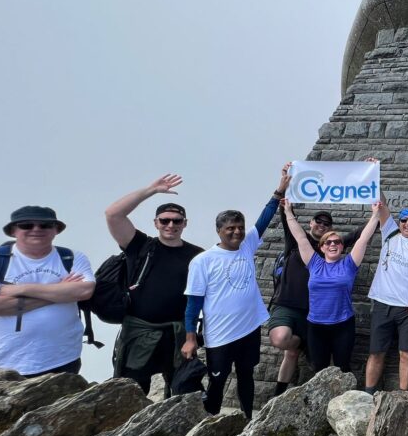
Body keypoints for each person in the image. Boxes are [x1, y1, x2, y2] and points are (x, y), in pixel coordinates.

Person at [182, 171, 287, 419]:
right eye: (230, 228)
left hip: (248, 328)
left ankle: (247, 418)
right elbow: (193, 304)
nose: (237, 232)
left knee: (246, 376)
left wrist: (279, 190)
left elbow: (264, 219)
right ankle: (209, 422)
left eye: (240, 227)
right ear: (219, 230)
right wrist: (189, 338)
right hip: (219, 334)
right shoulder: (202, 261)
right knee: (217, 381)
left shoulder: (247, 244)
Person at [104, 174, 204, 395]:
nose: (170, 225)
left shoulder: (198, 256)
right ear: (156, 223)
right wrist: (151, 190)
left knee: (183, 392)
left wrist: (194, 336)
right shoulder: (140, 246)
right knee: (130, 394)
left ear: (185, 224)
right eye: (164, 220)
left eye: (176, 221)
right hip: (139, 333)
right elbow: (113, 214)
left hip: (178, 335)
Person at [268, 160, 359, 396]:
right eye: (318, 221)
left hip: (315, 312)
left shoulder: (332, 248)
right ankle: (301, 347)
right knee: (283, 340)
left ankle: (280, 394)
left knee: (300, 357)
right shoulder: (297, 243)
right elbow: (288, 218)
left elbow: (359, 236)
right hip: (288, 304)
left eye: (327, 224)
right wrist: (285, 185)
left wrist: (376, 205)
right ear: (310, 223)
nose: (322, 225)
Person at [280, 199, 380, 374]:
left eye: (337, 242)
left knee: (343, 369)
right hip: (316, 327)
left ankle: (342, 402)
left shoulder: (349, 264)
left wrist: (375, 215)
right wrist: (288, 212)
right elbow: (300, 237)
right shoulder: (314, 263)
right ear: (322, 247)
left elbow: (363, 239)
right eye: (328, 242)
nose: (333, 244)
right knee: (318, 370)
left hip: (343, 326)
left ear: (342, 247)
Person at [0, 206, 95, 376]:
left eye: (45, 225)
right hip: (5, 362)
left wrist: (21, 289)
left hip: (63, 358)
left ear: (56, 230)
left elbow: (85, 290)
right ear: (13, 231)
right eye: (26, 225)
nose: (36, 229)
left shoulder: (71, 257)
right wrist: (61, 292)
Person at [364, 197, 408, 394]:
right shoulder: (389, 233)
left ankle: (402, 399)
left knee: (406, 354)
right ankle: (368, 395)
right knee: (376, 353)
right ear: (399, 222)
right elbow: (383, 205)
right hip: (382, 304)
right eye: (404, 220)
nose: (407, 224)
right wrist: (375, 173)